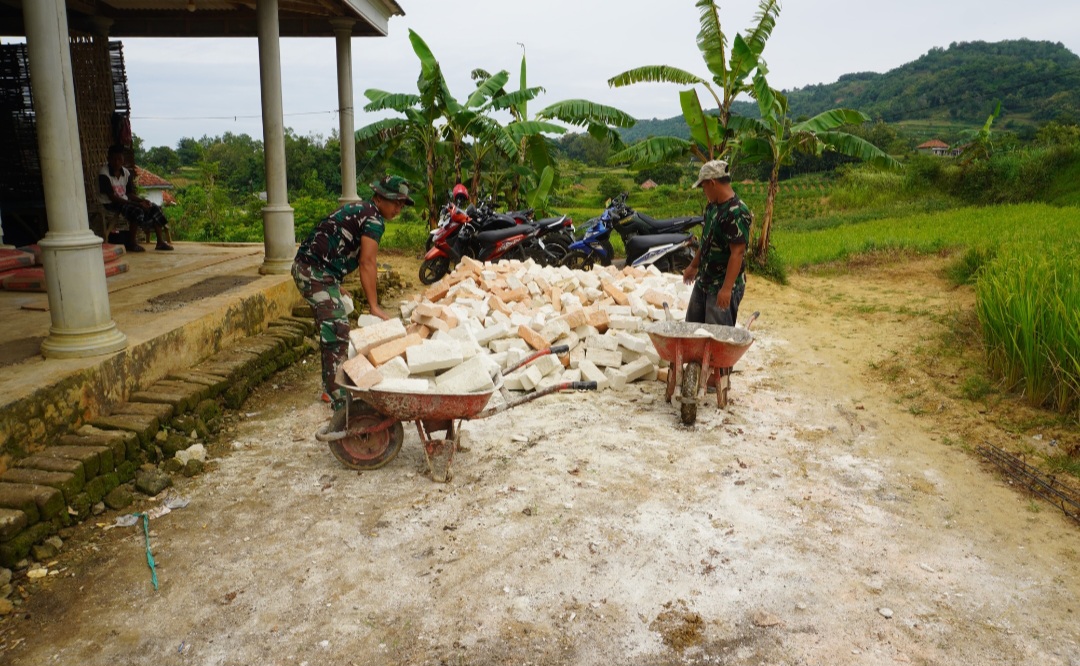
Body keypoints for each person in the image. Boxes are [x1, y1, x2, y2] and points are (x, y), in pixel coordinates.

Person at [292, 174, 414, 411]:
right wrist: (374, 306)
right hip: (311, 270)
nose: (399, 208)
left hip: (317, 269)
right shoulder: (373, 219)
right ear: (380, 197)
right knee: (337, 327)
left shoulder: (363, 210)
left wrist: (334, 283)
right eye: (395, 202)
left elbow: (333, 241)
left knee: (333, 324)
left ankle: (331, 386)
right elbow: (367, 262)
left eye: (402, 204)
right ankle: (336, 395)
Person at [682, 159, 753, 326]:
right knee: (692, 330)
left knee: (716, 336)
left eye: (704, 186)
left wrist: (727, 289)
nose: (704, 191)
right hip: (704, 281)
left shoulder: (737, 212)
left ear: (712, 183)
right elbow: (706, 240)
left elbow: (737, 253)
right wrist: (693, 265)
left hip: (722, 286)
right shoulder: (712, 207)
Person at [98, 144, 173, 252]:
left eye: (119, 159)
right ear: (108, 159)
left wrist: (142, 200)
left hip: (124, 201)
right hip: (110, 203)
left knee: (154, 207)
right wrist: (137, 204)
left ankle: (160, 242)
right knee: (137, 211)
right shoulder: (104, 174)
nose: (117, 162)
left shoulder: (126, 173)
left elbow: (129, 194)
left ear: (123, 160)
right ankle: (132, 243)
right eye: (114, 159)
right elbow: (113, 198)